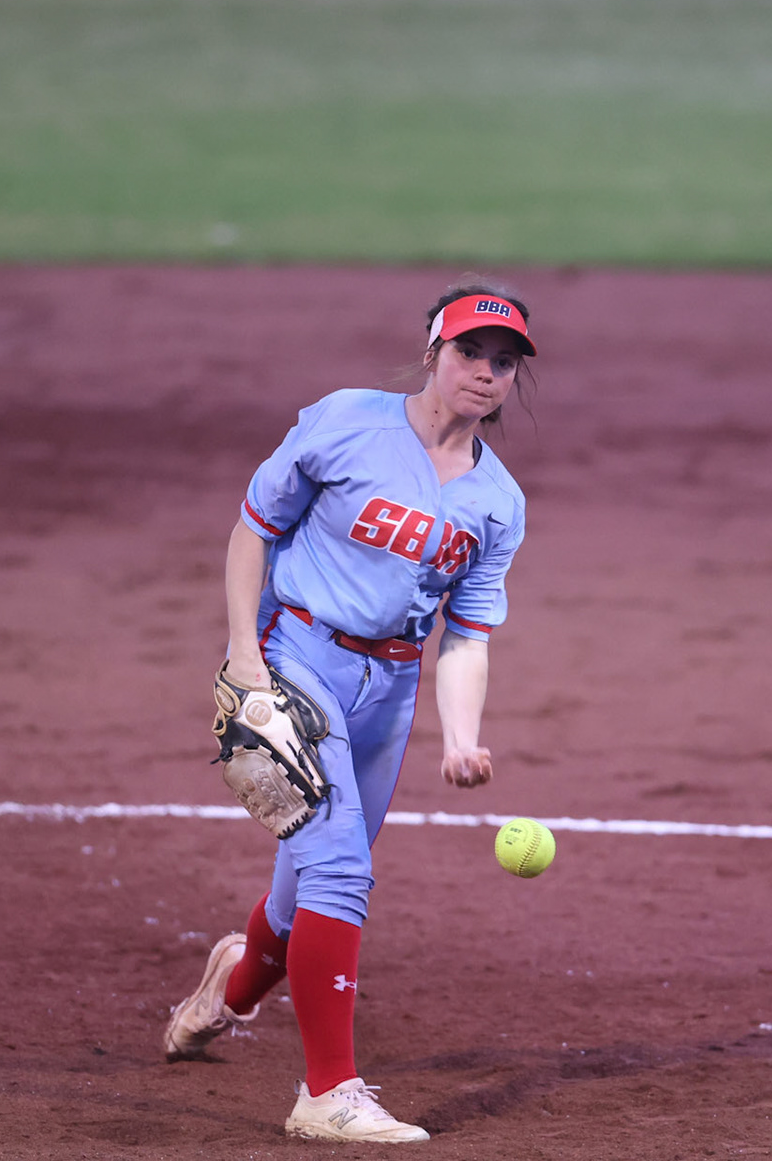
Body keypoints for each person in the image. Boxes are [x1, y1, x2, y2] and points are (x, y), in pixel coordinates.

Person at [161, 281, 538, 1143]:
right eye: (470, 353)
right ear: (435, 351)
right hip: (298, 660)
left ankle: (230, 988)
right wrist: (246, 658)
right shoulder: (347, 421)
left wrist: (464, 738)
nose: (484, 373)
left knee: (305, 894)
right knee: (342, 873)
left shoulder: (497, 503)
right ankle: (326, 1094)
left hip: (390, 693)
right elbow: (254, 528)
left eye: (503, 362)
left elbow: (467, 636)